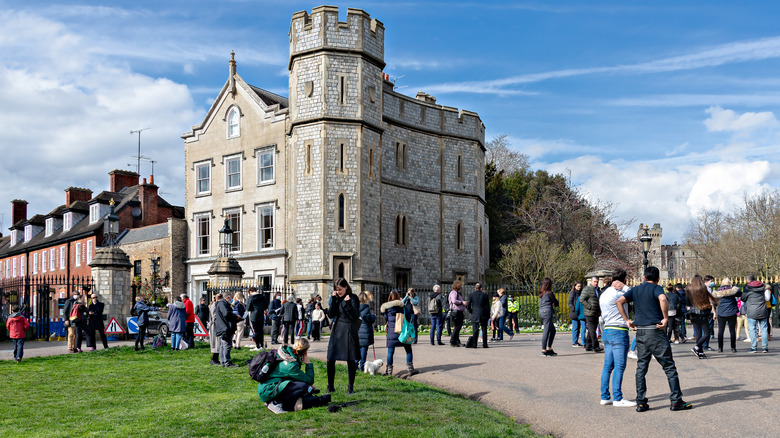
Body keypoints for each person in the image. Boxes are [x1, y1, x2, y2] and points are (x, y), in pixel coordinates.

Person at [616, 266, 691, 412]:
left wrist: (627, 320)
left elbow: (619, 301)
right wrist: (665, 318)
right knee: (669, 367)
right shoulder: (656, 288)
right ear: (657, 279)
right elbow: (663, 298)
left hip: (642, 332)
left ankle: (641, 402)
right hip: (655, 332)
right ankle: (676, 401)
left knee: (641, 368)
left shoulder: (636, 289)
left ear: (644, 277)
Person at [258, 338, 331, 414]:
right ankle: (275, 403)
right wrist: (308, 363)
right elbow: (310, 380)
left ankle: (274, 401)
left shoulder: (286, 353)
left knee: (306, 387)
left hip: (268, 386)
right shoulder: (291, 365)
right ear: (304, 351)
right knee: (303, 386)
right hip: (268, 389)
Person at [598, 268, 636, 407]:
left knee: (608, 366)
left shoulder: (604, 293)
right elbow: (635, 293)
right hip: (618, 330)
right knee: (620, 366)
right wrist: (624, 286)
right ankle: (618, 398)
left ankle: (605, 396)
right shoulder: (619, 292)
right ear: (623, 280)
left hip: (607, 330)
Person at [326, 277, 361, 393]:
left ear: (346, 287)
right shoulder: (336, 298)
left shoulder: (353, 298)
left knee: (350, 360)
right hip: (337, 330)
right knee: (330, 359)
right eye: (337, 289)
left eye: (340, 289)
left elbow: (355, 316)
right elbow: (331, 314)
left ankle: (350, 387)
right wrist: (333, 300)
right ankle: (330, 386)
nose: (339, 291)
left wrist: (347, 303)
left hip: (348, 329)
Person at [381, 290, 419, 377]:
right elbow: (409, 317)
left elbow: (386, 319)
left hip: (391, 332)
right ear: (398, 297)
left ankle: (389, 371)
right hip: (403, 332)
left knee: (390, 352)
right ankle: (410, 369)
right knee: (408, 350)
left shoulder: (387, 308)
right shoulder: (402, 307)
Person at [741, 274, 770, 353]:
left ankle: (754, 347)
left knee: (752, 329)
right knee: (764, 329)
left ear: (747, 280)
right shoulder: (763, 287)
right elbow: (767, 298)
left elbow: (743, 299)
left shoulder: (747, 288)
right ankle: (765, 348)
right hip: (762, 310)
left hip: (751, 311)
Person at [713, 278, 740, 353]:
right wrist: (733, 286)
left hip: (721, 312)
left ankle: (720, 348)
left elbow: (714, 303)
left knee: (721, 331)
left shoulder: (718, 292)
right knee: (732, 330)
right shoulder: (733, 291)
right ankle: (733, 347)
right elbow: (739, 292)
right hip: (731, 312)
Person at [580, 276, 602, 352]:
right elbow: (582, 299)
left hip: (596, 312)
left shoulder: (598, 290)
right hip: (589, 313)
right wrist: (589, 307)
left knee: (591, 330)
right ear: (591, 282)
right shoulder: (587, 289)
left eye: (597, 282)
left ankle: (588, 346)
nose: (596, 283)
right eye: (595, 282)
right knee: (592, 330)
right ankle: (595, 346)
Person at [215, 293, 238, 367]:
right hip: (225, 327)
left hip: (223, 327)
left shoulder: (220, 304)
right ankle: (227, 362)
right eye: (231, 298)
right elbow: (226, 314)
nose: (232, 299)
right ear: (228, 297)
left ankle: (223, 362)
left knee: (223, 345)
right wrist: (235, 316)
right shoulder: (222, 304)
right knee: (227, 345)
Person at [539, 277, 559, 356]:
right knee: (546, 331)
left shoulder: (541, 293)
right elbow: (556, 302)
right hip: (547, 312)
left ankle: (549, 348)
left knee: (553, 331)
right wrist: (553, 303)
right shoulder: (549, 293)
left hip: (541, 311)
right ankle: (544, 350)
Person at [357, 291, 376, 371]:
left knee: (357, 350)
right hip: (365, 332)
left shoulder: (355, 308)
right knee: (364, 350)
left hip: (357, 331)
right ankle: (362, 366)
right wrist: (373, 316)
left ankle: (355, 364)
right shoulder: (366, 309)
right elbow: (370, 320)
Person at [448, 280, 467, 347]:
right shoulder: (454, 293)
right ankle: (453, 340)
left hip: (459, 312)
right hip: (456, 312)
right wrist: (462, 302)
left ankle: (457, 340)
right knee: (457, 327)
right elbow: (454, 301)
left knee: (458, 327)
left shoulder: (457, 293)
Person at [568, 282, 586, 347]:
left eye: (580, 286)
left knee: (579, 328)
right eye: (578, 286)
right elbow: (570, 303)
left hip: (580, 312)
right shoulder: (573, 293)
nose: (579, 288)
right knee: (575, 328)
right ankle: (574, 342)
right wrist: (574, 309)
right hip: (574, 313)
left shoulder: (581, 293)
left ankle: (576, 341)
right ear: (575, 286)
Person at [208, 294, 222, 365]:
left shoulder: (215, 304)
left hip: (217, 325)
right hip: (215, 326)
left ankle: (216, 358)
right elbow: (214, 316)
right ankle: (214, 359)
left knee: (218, 342)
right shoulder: (215, 305)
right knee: (216, 342)